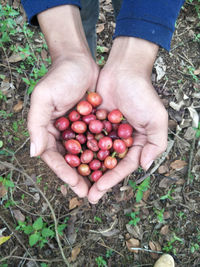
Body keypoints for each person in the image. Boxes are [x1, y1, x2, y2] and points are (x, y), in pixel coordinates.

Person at [21, 0, 184, 205]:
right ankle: (81, 50)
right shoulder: (99, 136)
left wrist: (134, 57)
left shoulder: (100, 135)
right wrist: (68, 51)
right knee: (84, 16)